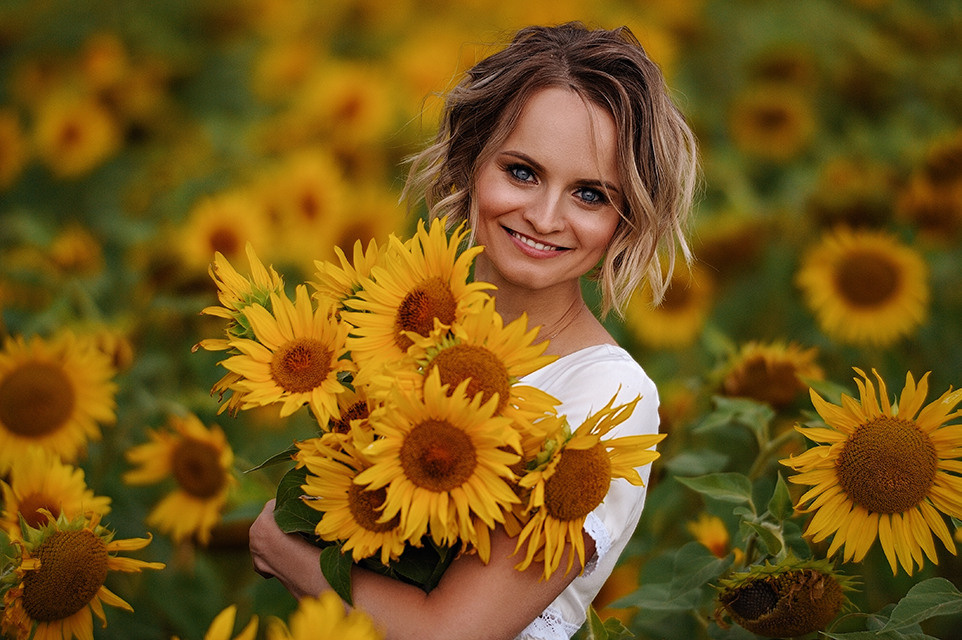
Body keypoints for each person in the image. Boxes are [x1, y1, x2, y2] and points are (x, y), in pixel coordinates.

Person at [249, 21, 698, 640]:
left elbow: (449, 634)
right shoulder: (391, 321)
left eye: (590, 194)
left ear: (627, 219)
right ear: (470, 161)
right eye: (522, 172)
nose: (544, 216)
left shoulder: (608, 401)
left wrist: (286, 550)